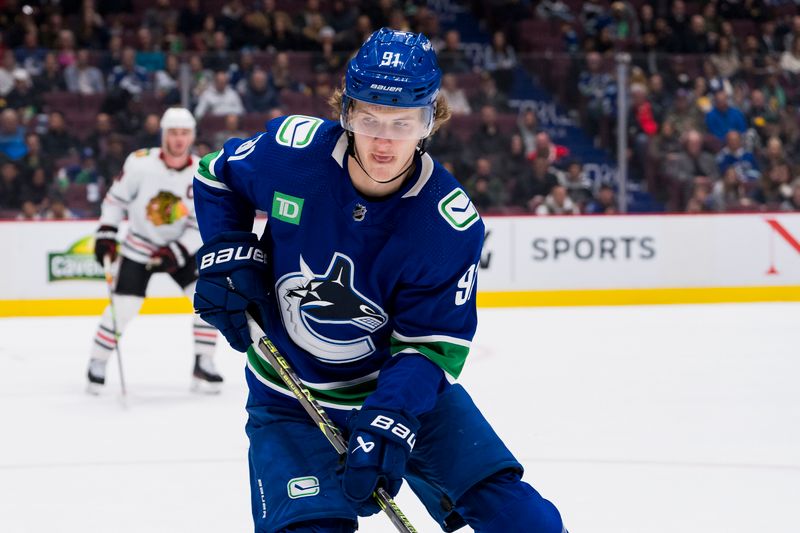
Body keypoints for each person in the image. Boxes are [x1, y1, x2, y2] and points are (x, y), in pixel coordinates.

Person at [192, 28, 567, 533]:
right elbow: (216, 177)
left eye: (403, 122)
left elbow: (430, 349)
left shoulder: (446, 223)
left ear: (429, 121)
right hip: (288, 394)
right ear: (346, 111)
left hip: (401, 390)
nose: (384, 140)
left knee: (522, 520)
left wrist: (389, 417)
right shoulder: (292, 153)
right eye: (369, 117)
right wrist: (224, 247)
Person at [86, 107, 221, 394]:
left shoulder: (202, 171)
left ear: (192, 136)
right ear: (163, 134)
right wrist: (106, 233)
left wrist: (176, 251)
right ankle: (97, 362)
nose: (178, 139)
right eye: (173, 133)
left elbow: (203, 223)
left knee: (206, 301)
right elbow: (114, 200)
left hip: (179, 250)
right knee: (124, 307)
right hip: (140, 245)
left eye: (184, 133)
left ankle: (204, 362)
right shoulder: (139, 164)